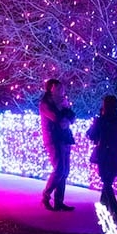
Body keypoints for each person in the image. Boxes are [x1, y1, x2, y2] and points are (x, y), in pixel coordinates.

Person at [87, 94, 117, 222]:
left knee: (106, 181)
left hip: (103, 151)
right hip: (116, 151)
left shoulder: (100, 121)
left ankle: (114, 208)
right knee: (108, 181)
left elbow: (91, 135)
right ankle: (103, 206)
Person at [39, 78, 75, 211]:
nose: (62, 90)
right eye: (58, 88)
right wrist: (63, 112)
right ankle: (46, 196)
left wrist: (67, 112)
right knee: (59, 169)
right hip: (53, 139)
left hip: (65, 138)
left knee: (65, 171)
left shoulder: (62, 103)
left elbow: (72, 117)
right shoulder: (46, 104)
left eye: (62, 88)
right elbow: (56, 118)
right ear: (51, 88)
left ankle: (59, 201)